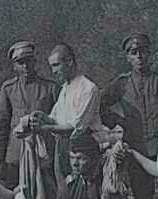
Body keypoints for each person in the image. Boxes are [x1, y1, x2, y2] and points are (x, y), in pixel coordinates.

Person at [100, 33, 158, 199]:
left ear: (150, 54)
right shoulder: (121, 84)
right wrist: (116, 121)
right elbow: (100, 104)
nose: (139, 56)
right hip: (137, 150)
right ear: (127, 57)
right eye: (133, 52)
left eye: (143, 51)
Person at [34, 43, 108, 181]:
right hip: (63, 147)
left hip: (84, 149)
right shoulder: (65, 88)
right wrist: (42, 117)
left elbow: (76, 127)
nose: (53, 71)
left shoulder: (88, 88)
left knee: (84, 189)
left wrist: (44, 128)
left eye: (56, 65)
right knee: (64, 188)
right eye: (51, 67)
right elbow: (55, 119)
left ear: (69, 61)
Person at [0, 41, 60, 189]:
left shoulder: (50, 87)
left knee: (48, 194)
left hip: (44, 153)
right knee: (14, 196)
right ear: (14, 66)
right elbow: (2, 124)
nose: (25, 66)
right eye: (20, 62)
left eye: (29, 61)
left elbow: (59, 120)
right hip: (16, 154)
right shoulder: (8, 88)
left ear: (35, 62)